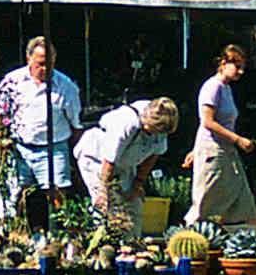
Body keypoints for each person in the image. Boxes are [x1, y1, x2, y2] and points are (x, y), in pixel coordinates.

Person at [0, 34, 83, 231]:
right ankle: (11, 235)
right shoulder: (13, 81)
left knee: (57, 195)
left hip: (54, 147)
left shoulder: (66, 86)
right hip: (18, 147)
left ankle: (59, 237)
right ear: (29, 58)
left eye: (50, 63)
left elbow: (76, 125)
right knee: (11, 196)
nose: (45, 68)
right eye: (40, 63)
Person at [189, 42, 256, 229]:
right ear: (223, 63)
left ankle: (251, 234)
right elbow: (207, 121)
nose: (241, 72)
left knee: (242, 200)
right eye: (237, 67)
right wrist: (238, 140)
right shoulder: (212, 87)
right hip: (214, 151)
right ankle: (189, 234)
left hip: (227, 151)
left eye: (243, 68)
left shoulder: (226, 88)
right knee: (207, 199)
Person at [74, 95, 178, 227]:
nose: (157, 135)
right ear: (147, 122)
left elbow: (154, 155)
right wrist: (103, 190)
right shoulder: (127, 122)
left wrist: (138, 183)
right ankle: (102, 242)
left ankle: (132, 243)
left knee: (133, 204)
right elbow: (109, 161)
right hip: (97, 159)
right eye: (153, 131)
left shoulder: (163, 123)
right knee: (106, 205)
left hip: (125, 162)